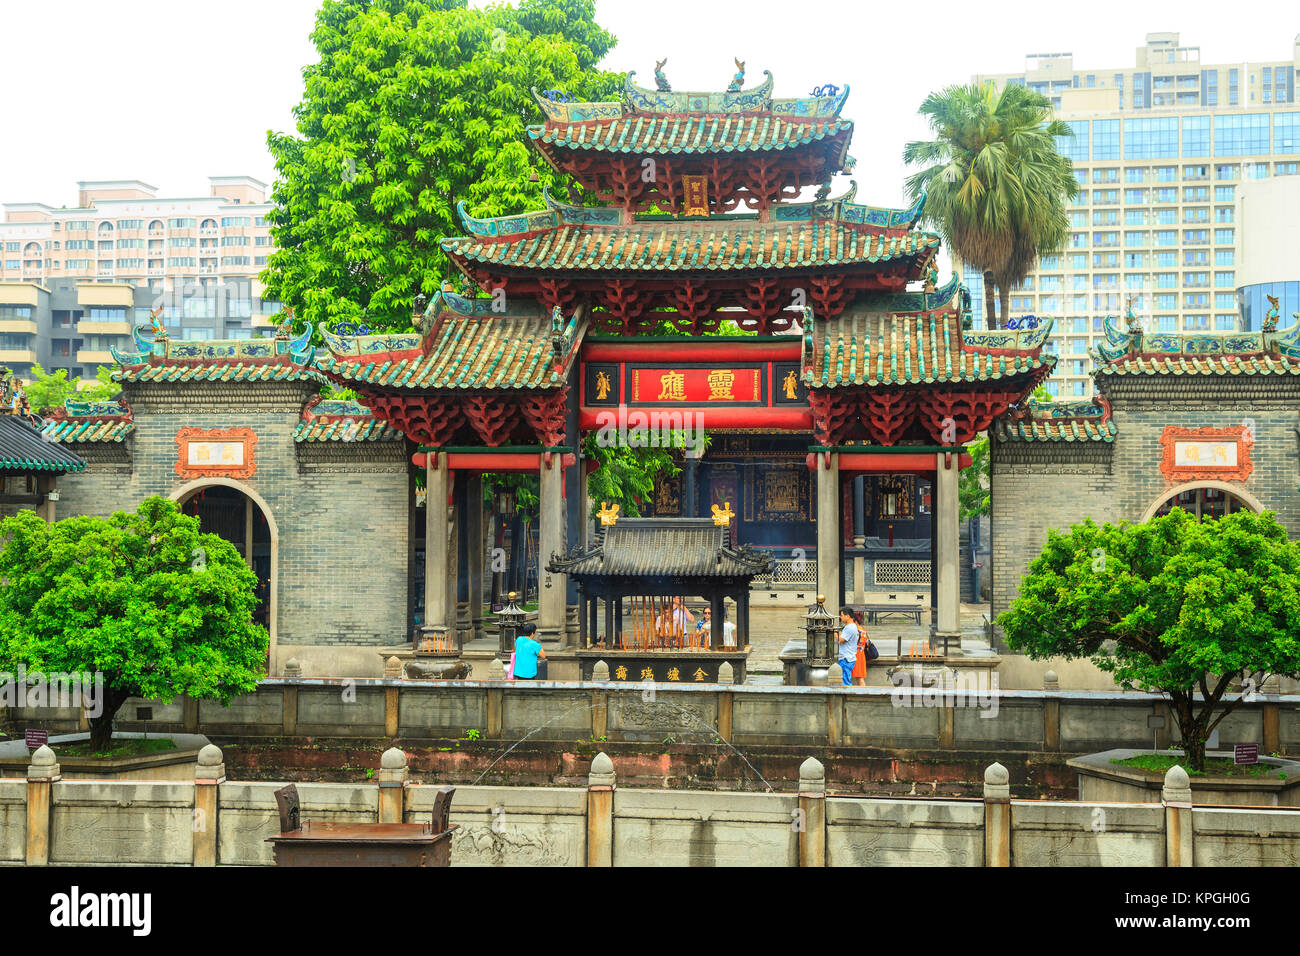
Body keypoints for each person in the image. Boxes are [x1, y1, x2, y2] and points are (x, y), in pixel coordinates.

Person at [837, 606, 860, 687]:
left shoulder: (850, 628)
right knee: (844, 679)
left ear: (847, 616)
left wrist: (833, 633)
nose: (841, 617)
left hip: (846, 658)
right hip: (848, 657)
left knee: (845, 681)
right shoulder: (851, 626)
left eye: (842, 615)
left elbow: (841, 640)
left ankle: (847, 697)